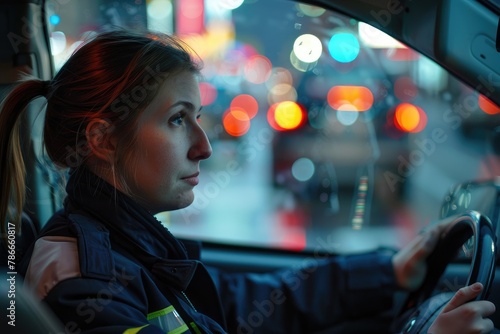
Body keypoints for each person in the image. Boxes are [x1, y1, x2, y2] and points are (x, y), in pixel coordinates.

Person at [0, 30, 496, 334]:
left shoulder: (131, 247)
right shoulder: (88, 284)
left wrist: (389, 272)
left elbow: (243, 303)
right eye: (177, 120)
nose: (204, 145)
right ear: (104, 140)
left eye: (198, 118)